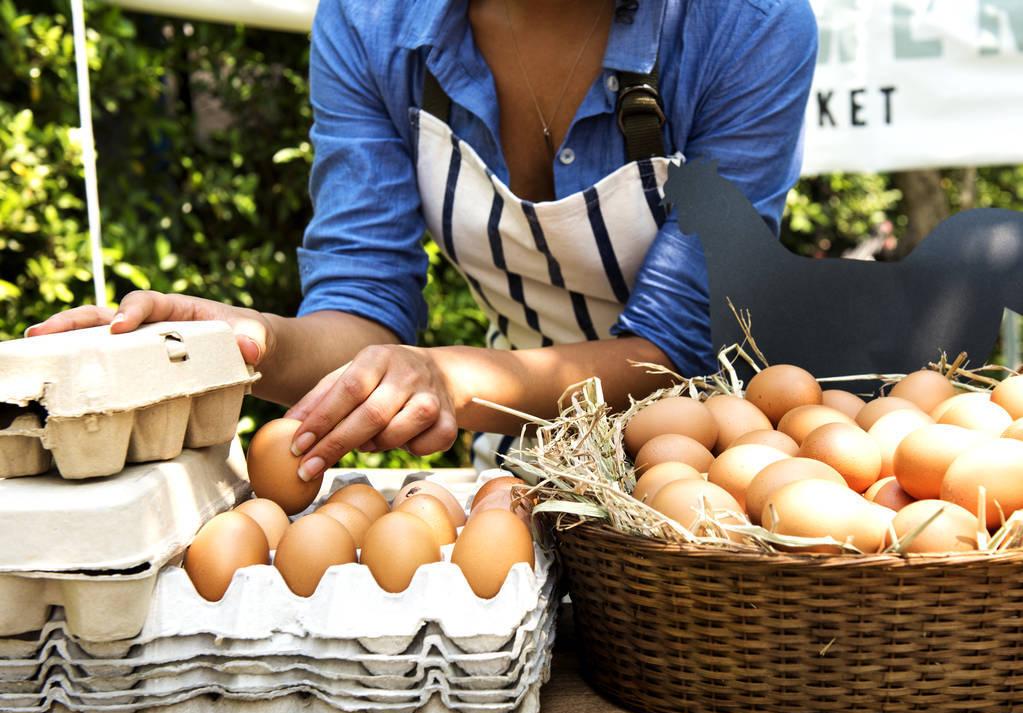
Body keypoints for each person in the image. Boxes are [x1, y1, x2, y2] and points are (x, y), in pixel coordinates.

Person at [29, 0, 818, 479]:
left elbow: (674, 347)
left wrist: (441, 378)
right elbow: (362, 299)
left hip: (724, 478)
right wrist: (246, 344)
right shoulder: (372, 23)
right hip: (530, 463)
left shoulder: (743, 26)